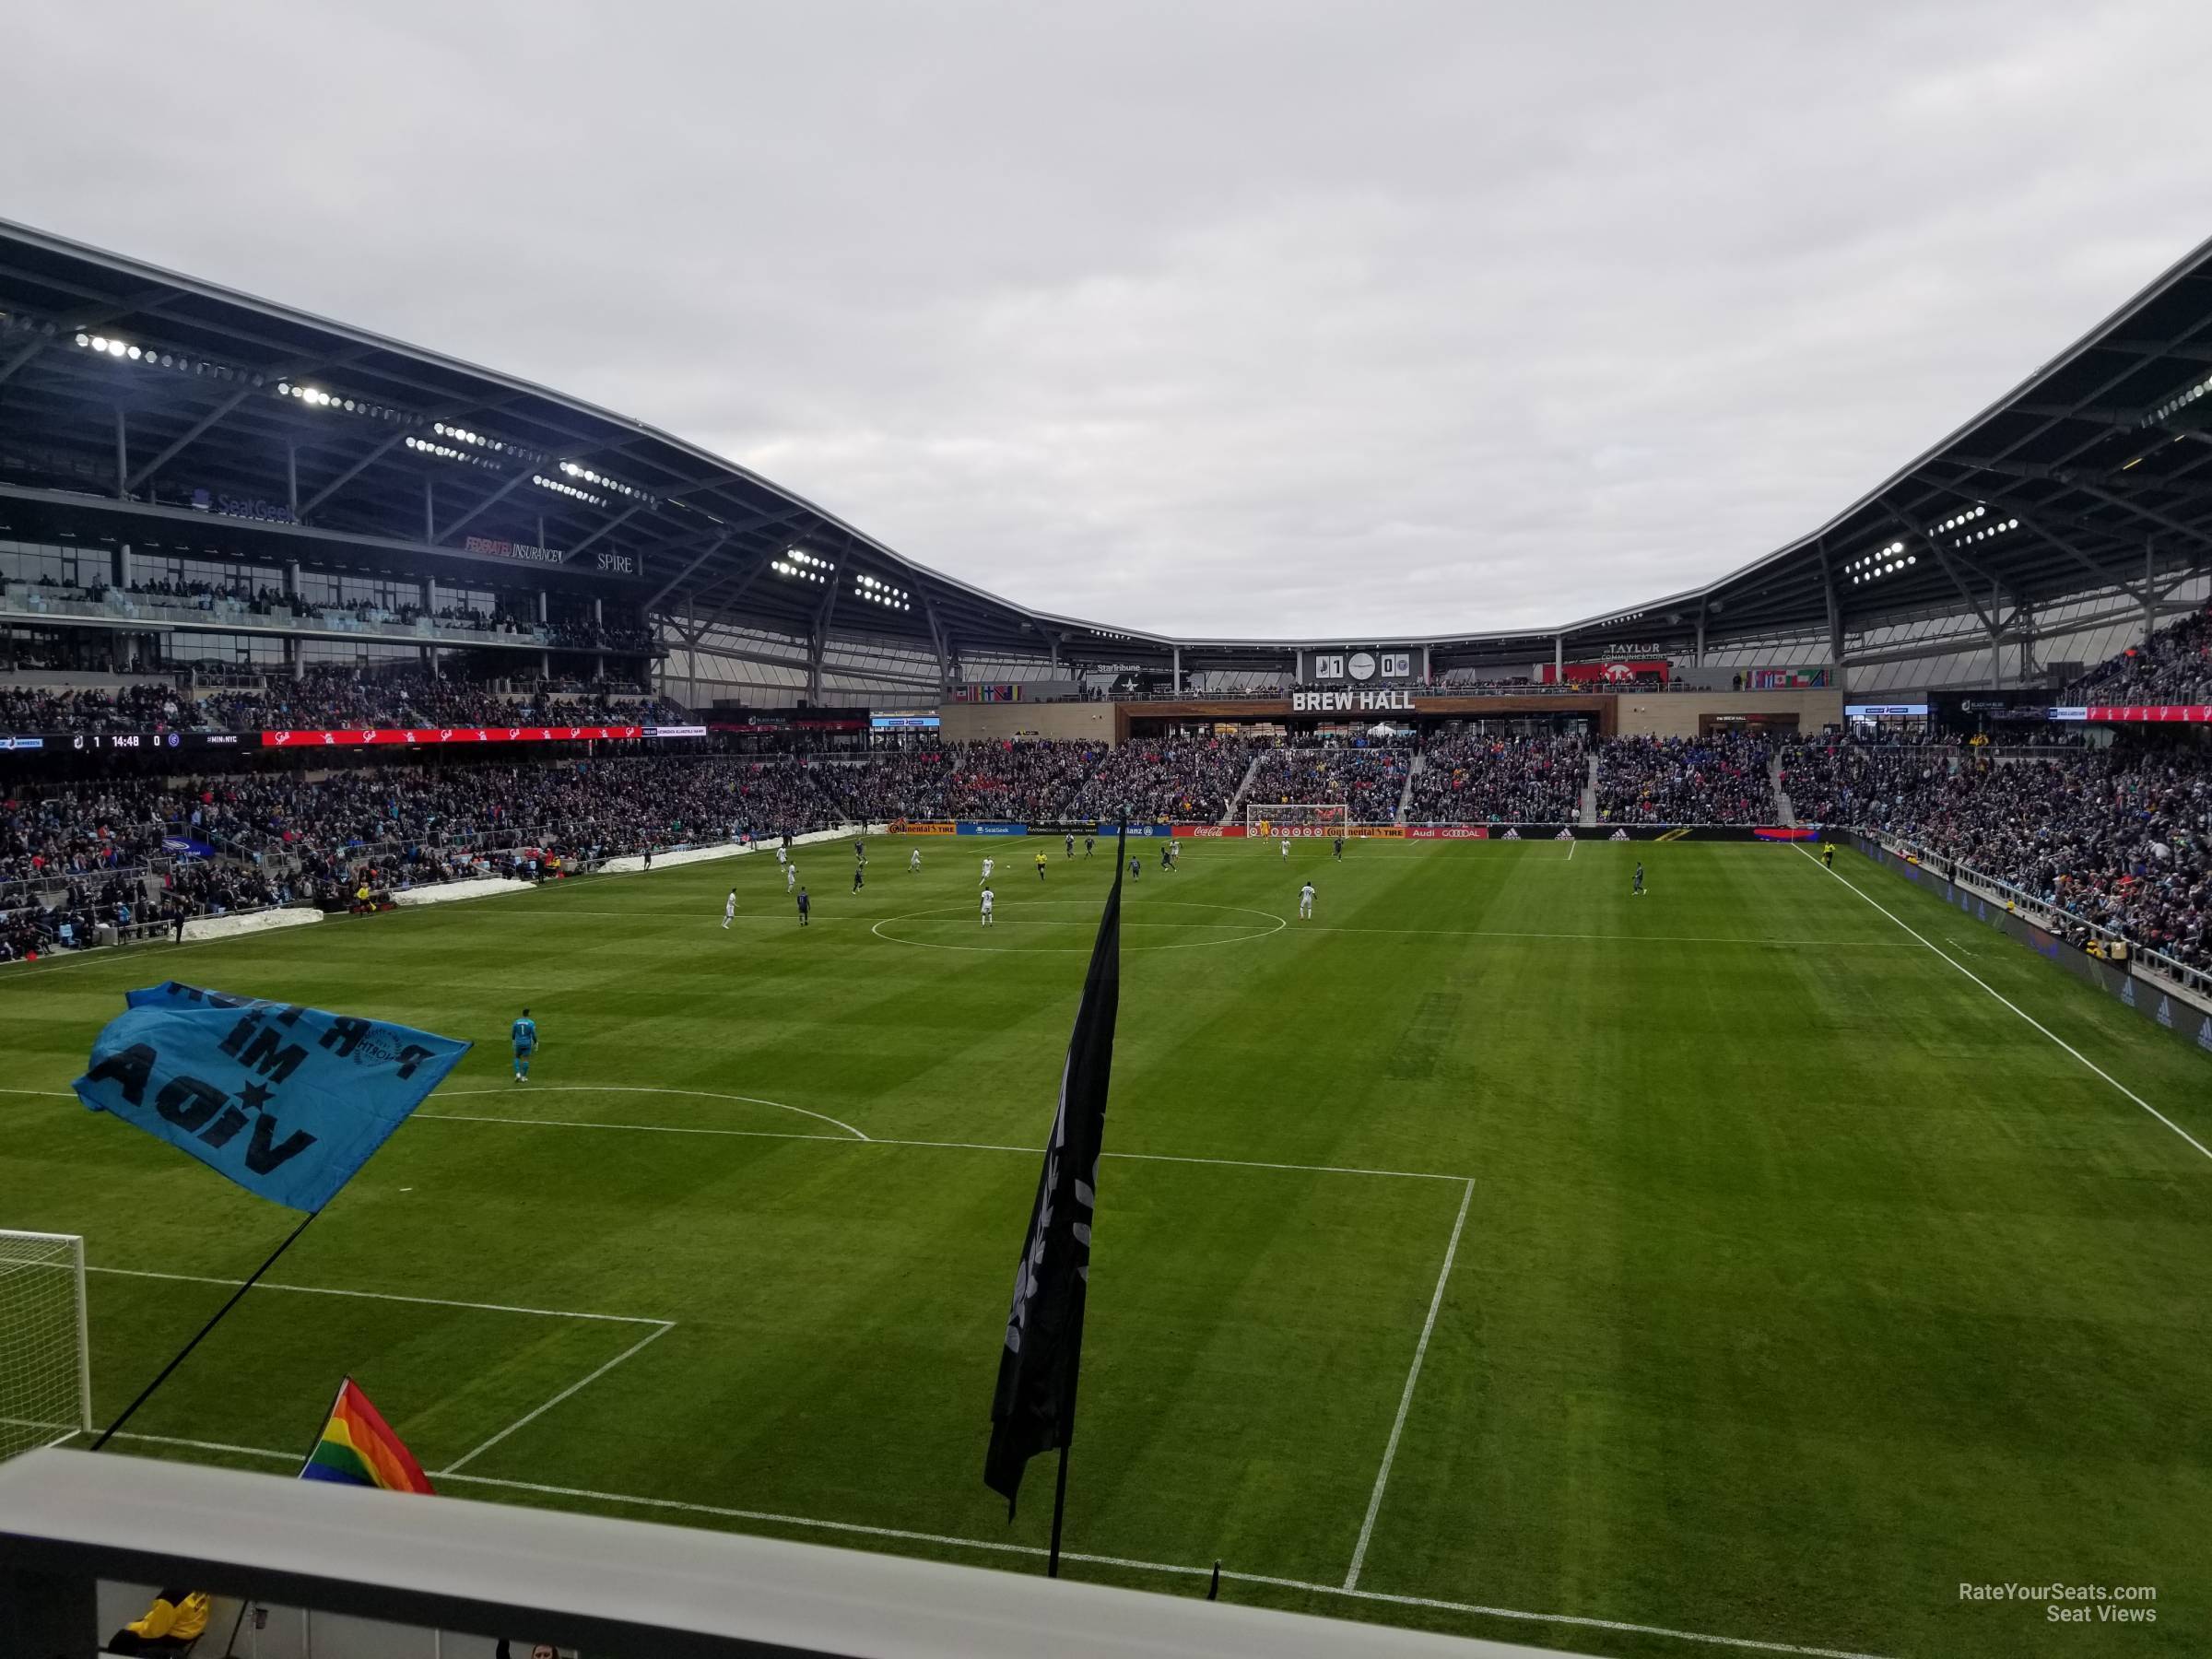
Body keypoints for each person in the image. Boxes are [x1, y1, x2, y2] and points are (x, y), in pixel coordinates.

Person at [106, 1588, 211, 1655]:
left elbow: (154, 1631)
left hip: (172, 1637)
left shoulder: (172, 1596)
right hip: (191, 1628)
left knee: (123, 1637)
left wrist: (131, 1627)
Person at [511, 1007, 538, 1084]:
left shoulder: (516, 1022)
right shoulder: (531, 1023)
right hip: (527, 1043)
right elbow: (533, 1034)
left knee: (517, 1057)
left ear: (522, 1013)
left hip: (518, 1043)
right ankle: (523, 1077)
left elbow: (513, 1033)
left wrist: (513, 1040)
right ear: (528, 1014)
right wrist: (536, 1042)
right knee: (525, 1059)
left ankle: (518, 1074)